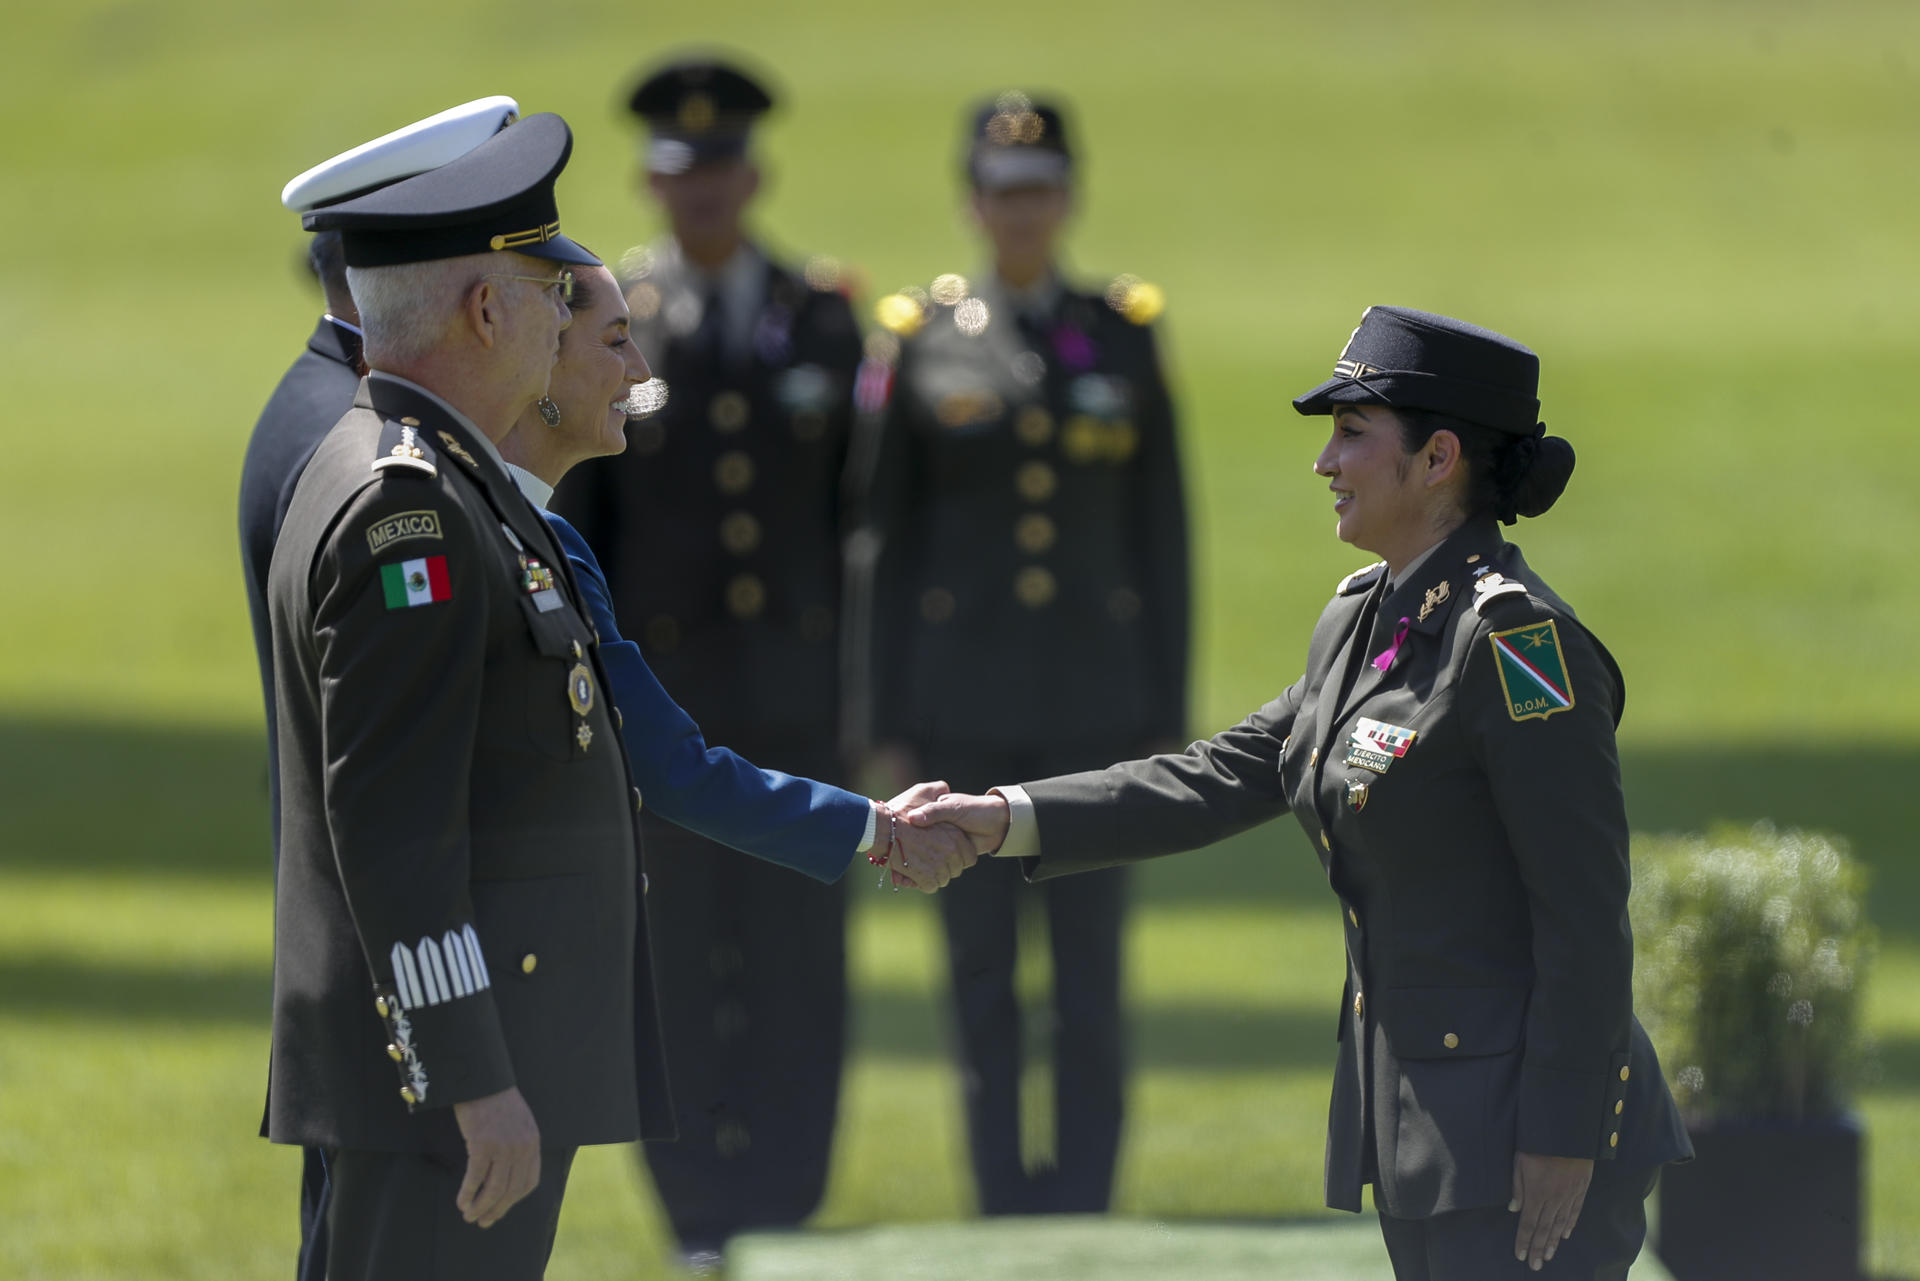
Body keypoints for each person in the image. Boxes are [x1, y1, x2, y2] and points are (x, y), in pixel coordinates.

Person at [268, 110, 972, 1279]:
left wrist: (870, 830)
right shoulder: (411, 512)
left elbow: (656, 751)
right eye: (558, 307)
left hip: (476, 1070)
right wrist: (471, 1073)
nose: (622, 365)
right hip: (442, 1086)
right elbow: (391, 830)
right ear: (487, 311)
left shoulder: (468, 497)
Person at [906, 306, 1695, 1277]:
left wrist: (1565, 1133)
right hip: (1429, 1132)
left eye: (1352, 435)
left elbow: (1582, 912)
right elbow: (1220, 775)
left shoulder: (1519, 646)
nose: (1325, 464)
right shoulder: (1366, 616)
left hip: (1522, 1139)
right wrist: (1004, 819)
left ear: (1439, 457)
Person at [842, 91, 1190, 1215]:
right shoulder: (921, 337)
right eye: (1003, 192)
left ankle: (1083, 1201)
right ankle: (1002, 1201)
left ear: (1070, 199)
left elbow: (1163, 533)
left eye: (1041, 190)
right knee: (981, 979)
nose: (1024, 212)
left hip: (1096, 709)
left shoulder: (1125, 329)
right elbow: (880, 547)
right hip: (964, 713)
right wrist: (883, 719)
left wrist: (1162, 708)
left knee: (1090, 983)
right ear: (972, 204)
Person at [550, 56, 865, 1264]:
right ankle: (698, 1221)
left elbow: (858, 526)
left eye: (723, 166)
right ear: (649, 179)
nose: (704, 191)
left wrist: (866, 702)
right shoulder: (610, 321)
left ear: (755, 174)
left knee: (798, 972)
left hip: (799, 707)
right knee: (675, 969)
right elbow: (583, 532)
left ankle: (784, 1215)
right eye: (680, 171)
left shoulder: (827, 314)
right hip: (662, 711)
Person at [244, 94, 521, 1281]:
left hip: (393, 979)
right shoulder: (377, 464)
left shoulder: (328, 416)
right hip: (409, 995)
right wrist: (468, 1061)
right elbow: (392, 791)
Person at [497, 259, 963, 888]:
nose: (639, 368)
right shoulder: (523, 540)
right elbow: (668, 765)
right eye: (613, 341)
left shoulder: (523, 528)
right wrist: (878, 827)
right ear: (538, 355)